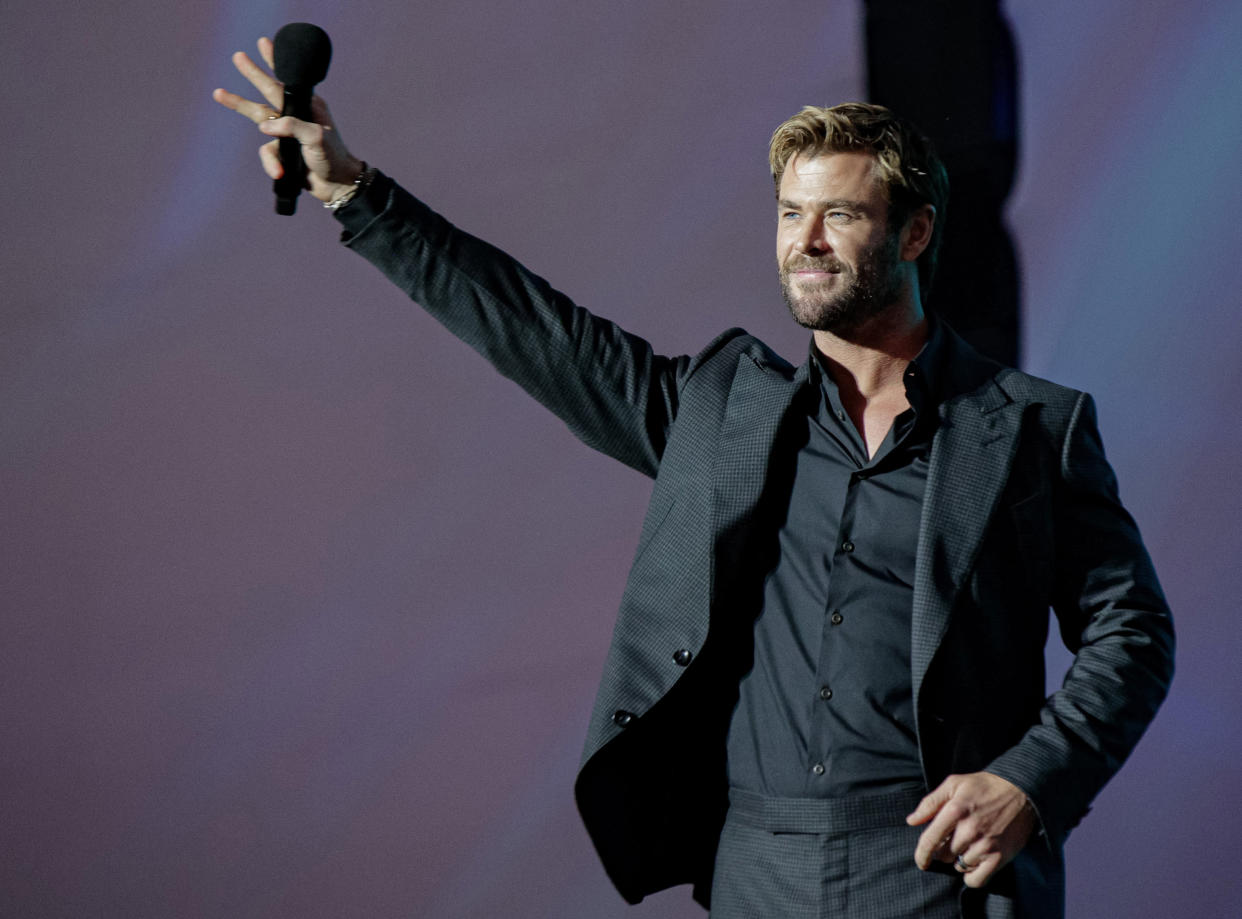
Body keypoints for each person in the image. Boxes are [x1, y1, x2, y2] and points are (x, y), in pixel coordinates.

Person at [214, 38, 1174, 919]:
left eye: (838, 214)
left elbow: (1132, 630)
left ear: (915, 234)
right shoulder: (725, 413)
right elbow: (539, 332)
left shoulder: (1031, 427)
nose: (804, 241)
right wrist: (356, 193)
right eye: (790, 212)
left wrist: (1032, 780)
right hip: (756, 864)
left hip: (936, 871)